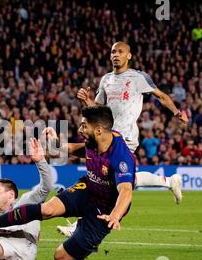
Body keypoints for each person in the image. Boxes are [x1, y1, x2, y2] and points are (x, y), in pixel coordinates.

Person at [0, 106, 135, 260]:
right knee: (47, 209)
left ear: (98, 130)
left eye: (84, 126)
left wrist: (115, 215)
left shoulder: (121, 156)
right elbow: (78, 150)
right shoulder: (95, 140)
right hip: (87, 189)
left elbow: (126, 190)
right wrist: (56, 143)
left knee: (60, 259)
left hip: (105, 210)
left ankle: (84, 231)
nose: (80, 130)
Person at [56, 41, 188, 237]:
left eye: (120, 51)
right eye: (113, 52)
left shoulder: (138, 77)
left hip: (125, 136)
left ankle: (79, 225)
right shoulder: (106, 80)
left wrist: (177, 112)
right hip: (105, 135)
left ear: (129, 56)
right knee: (123, 180)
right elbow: (98, 109)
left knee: (105, 181)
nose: (116, 54)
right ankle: (169, 181)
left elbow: (160, 96)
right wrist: (86, 101)